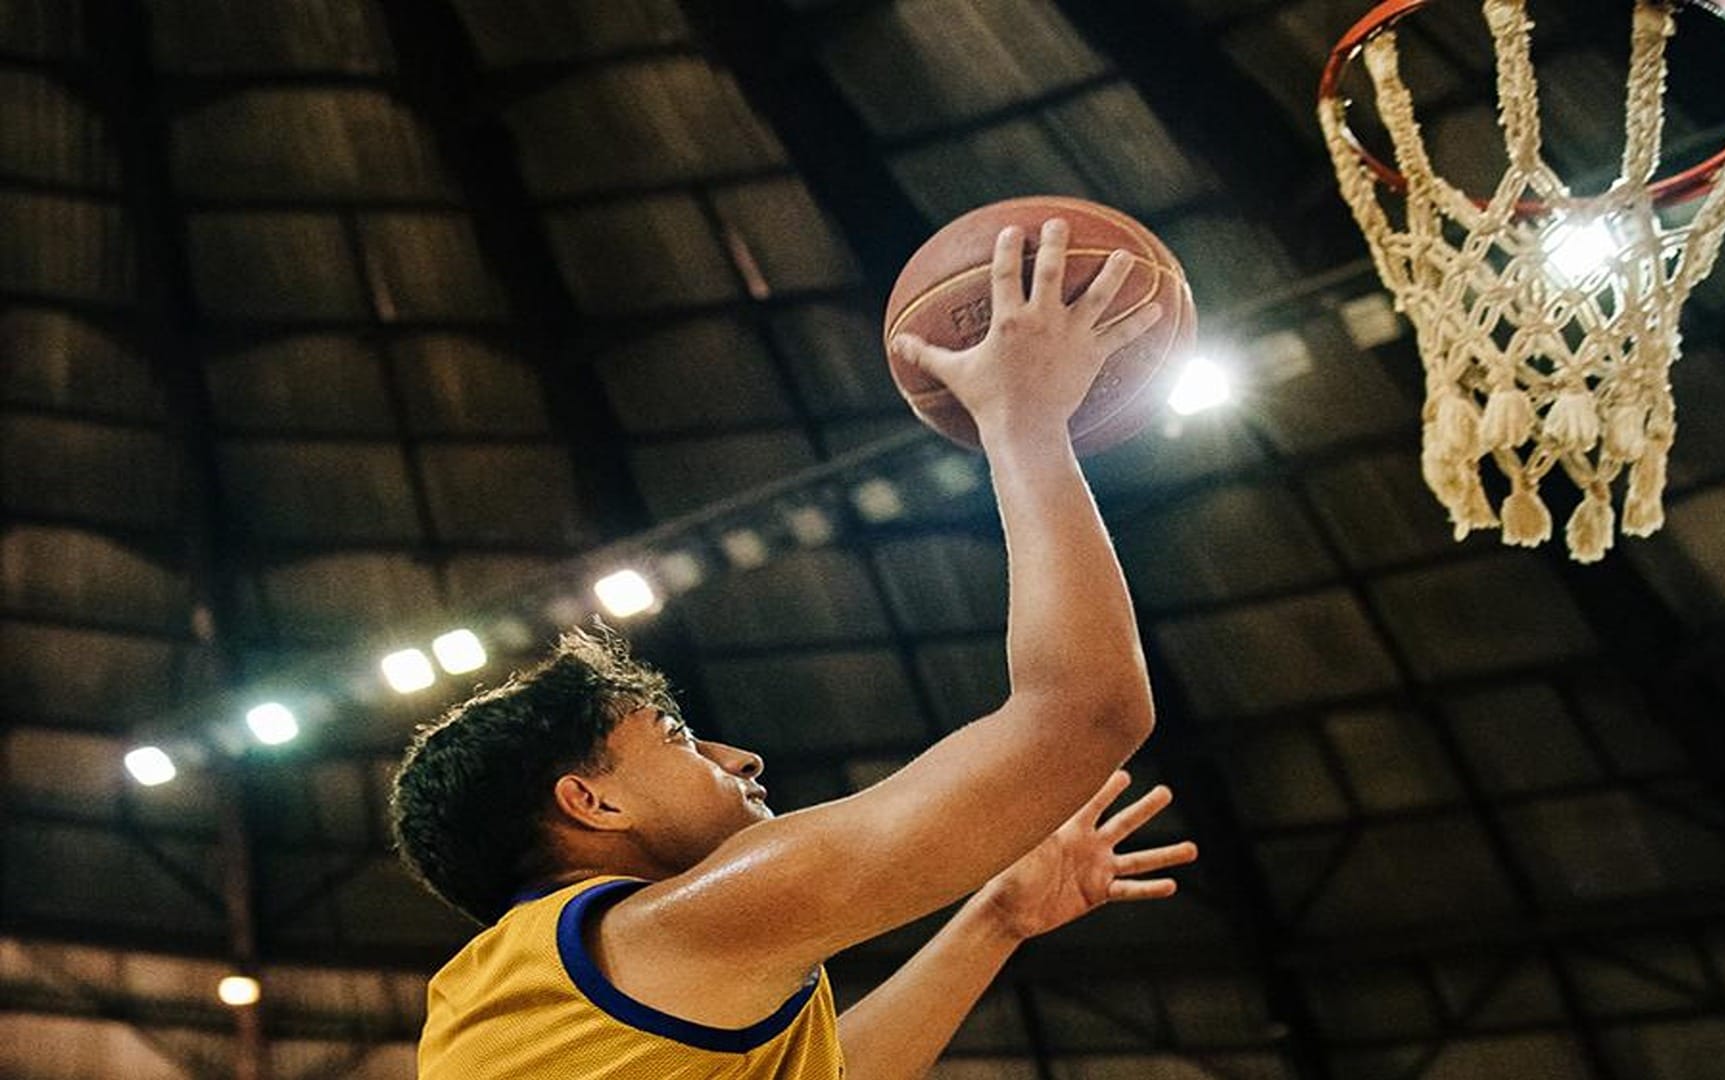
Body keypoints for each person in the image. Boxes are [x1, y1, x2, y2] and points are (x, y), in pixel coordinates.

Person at [391, 218, 1199, 1079]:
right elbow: (1086, 711)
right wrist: (1025, 421)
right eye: (678, 740)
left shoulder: (533, 993)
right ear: (591, 803)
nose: (740, 758)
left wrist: (995, 914)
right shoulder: (668, 932)